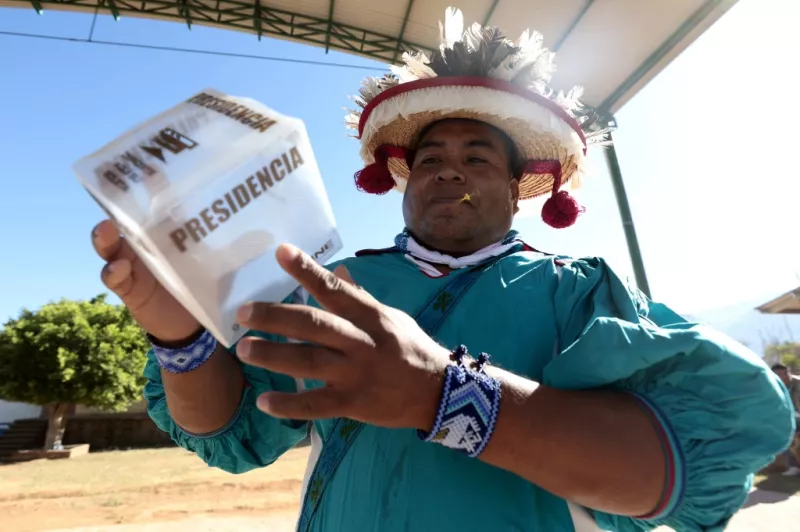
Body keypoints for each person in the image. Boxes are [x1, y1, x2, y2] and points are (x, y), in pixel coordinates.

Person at [91, 8, 795, 532]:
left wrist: (442, 395)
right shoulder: (335, 287)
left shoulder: (580, 294)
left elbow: (676, 471)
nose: (449, 168)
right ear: (401, 182)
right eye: (429, 159)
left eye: (477, 157)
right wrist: (177, 332)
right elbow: (232, 434)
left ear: (521, 189)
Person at [771, 363, 800, 476]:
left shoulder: (798, 383)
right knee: (787, 438)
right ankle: (794, 466)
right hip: (789, 418)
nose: (782, 377)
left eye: (783, 373)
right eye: (777, 375)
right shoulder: (774, 386)